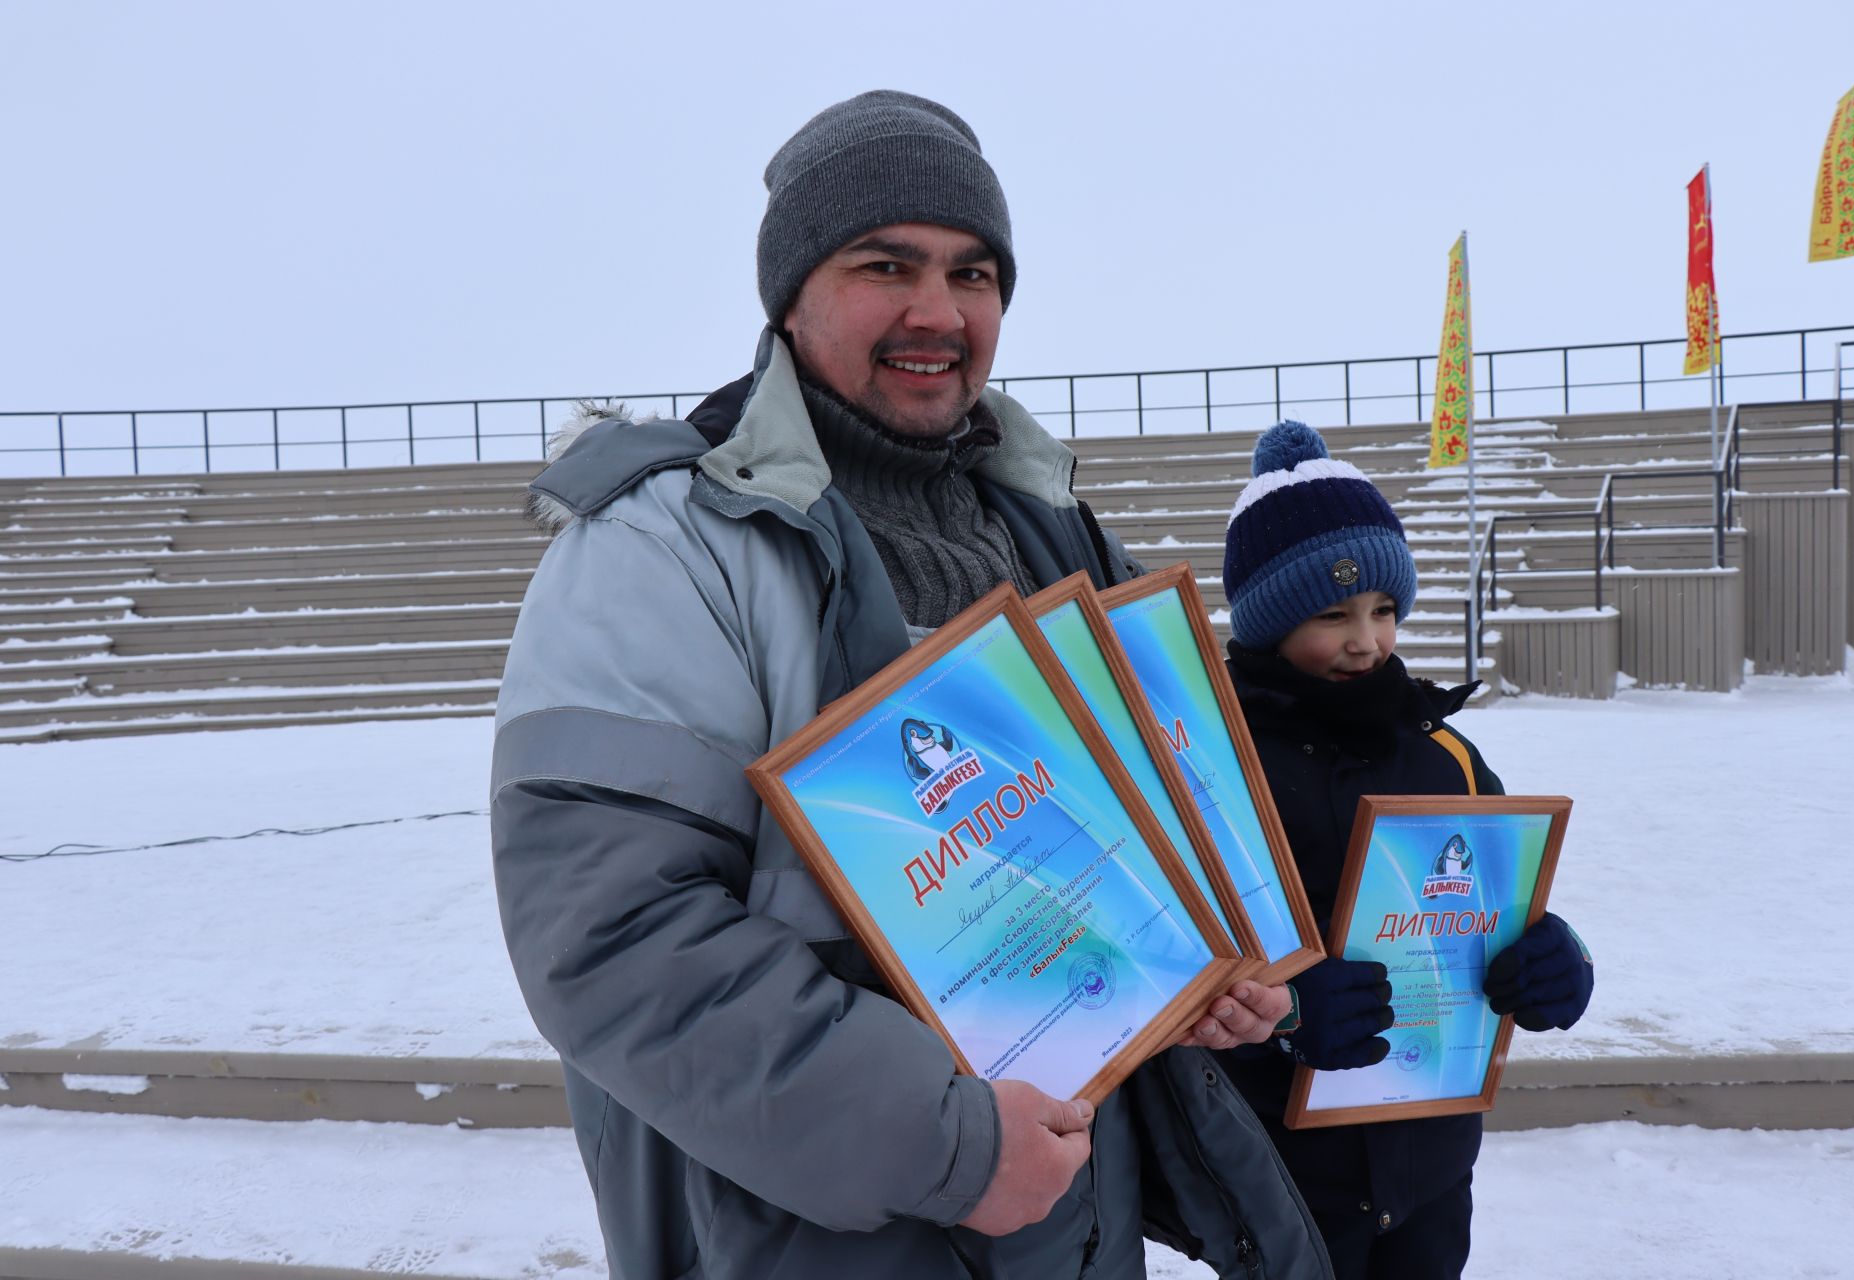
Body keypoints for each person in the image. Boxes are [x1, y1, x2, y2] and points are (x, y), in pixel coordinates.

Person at [490, 90, 1330, 1280]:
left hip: (1072, 1222)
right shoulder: (668, 544)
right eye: (887, 264)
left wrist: (1209, 971)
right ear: (791, 297)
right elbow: (617, 940)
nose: (938, 311)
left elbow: (1153, 851)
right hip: (812, 1238)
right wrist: (948, 1144)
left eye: (975, 273)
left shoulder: (1057, 537)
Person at [1213, 421, 1596, 1280]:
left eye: (1384, 610)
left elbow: (1506, 897)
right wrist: (1283, 1007)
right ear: (1269, 620)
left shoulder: (1442, 751)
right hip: (1285, 1164)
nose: (1367, 640)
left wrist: (1558, 956)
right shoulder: (1218, 760)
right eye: (1332, 614)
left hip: (1430, 1154)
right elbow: (1182, 950)